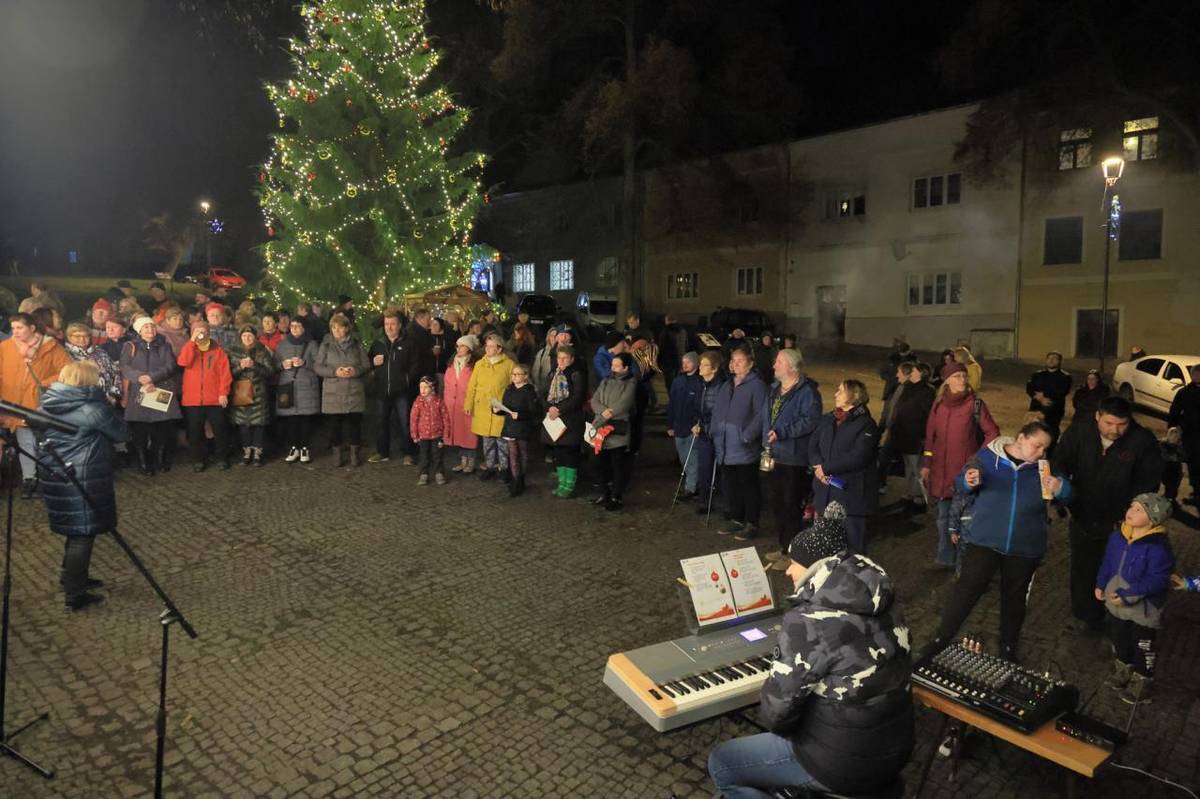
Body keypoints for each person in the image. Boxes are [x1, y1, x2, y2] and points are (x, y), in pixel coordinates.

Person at [707, 502, 913, 799]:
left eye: (794, 562)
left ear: (815, 569)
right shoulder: (885, 598)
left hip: (839, 765)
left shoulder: (807, 621)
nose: (788, 570)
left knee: (722, 763)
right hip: (896, 747)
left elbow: (776, 715)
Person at [925, 421, 1071, 663]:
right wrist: (968, 481)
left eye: (1045, 448)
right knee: (966, 591)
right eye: (1037, 446)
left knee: (1014, 599)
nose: (1041, 453)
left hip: (1026, 546)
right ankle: (940, 638)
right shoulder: (986, 458)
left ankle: (1008, 648)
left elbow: (1069, 495)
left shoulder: (1046, 467)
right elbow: (960, 484)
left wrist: (1061, 488)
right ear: (1021, 438)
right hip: (985, 540)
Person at [1054, 396, 1164, 633]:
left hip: (1121, 523)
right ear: (1097, 416)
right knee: (1083, 568)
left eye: (1121, 425)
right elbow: (1059, 464)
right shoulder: (1079, 433)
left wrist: (1130, 515)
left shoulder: (1142, 442)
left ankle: (1119, 621)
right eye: (1109, 424)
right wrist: (1062, 494)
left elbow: (1148, 483)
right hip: (1083, 515)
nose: (1115, 430)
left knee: (1120, 571)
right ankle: (1086, 616)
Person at [36, 361, 129, 610]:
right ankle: (75, 595)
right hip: (83, 475)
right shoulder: (92, 409)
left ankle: (72, 576)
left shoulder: (47, 403)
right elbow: (122, 434)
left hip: (57, 473)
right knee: (83, 533)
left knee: (74, 529)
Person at [1096, 494, 1174, 705]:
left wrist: (1128, 595)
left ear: (1153, 519)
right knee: (1119, 636)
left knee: (1143, 644)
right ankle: (1124, 667)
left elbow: (1158, 580)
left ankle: (1142, 680)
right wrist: (1101, 583)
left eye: (1140, 510)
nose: (1131, 511)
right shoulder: (1117, 537)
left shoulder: (1158, 548)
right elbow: (1108, 562)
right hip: (1117, 605)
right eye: (1132, 506)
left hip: (1144, 610)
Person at [921, 361, 1000, 569]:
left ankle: (968, 564)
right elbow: (930, 437)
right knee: (943, 518)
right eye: (957, 376)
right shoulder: (938, 405)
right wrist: (927, 463)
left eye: (964, 376)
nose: (963, 379)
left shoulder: (975, 405)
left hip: (964, 472)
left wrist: (977, 458)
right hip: (940, 471)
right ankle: (945, 558)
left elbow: (993, 433)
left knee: (966, 520)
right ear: (947, 381)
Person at [0, 313, 71, 495]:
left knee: (43, 441)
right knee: (24, 441)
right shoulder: (5, 347)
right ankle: (29, 478)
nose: (15, 332)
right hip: (13, 403)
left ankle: (48, 476)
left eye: (19, 328)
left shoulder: (51, 347)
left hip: (40, 402)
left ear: (32, 328)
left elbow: (67, 370)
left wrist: (46, 382)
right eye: (13, 328)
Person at [762, 349, 822, 552]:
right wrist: (766, 442)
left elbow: (810, 421)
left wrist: (783, 432)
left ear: (791, 366)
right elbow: (767, 419)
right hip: (774, 455)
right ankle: (783, 547)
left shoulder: (807, 392)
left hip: (793, 457)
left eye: (778, 362)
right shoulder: (773, 390)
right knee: (777, 504)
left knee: (791, 506)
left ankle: (794, 552)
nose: (774, 365)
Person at [808, 379, 878, 553]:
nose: (835, 394)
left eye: (840, 391)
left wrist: (826, 468)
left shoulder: (866, 424)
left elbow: (859, 456)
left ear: (854, 396)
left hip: (850, 496)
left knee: (852, 547)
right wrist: (818, 466)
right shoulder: (829, 418)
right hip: (824, 492)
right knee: (824, 546)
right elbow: (813, 444)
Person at [711, 348, 768, 540]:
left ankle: (752, 522)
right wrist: (714, 429)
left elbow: (762, 414)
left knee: (748, 485)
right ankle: (736, 518)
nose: (735, 364)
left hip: (744, 446)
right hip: (725, 445)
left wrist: (748, 435)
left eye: (740, 361)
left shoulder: (757, 386)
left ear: (750, 364)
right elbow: (717, 410)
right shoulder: (726, 385)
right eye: (733, 360)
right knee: (730, 484)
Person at [120, 316, 183, 475]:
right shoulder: (130, 346)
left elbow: (170, 366)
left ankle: (160, 459)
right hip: (139, 391)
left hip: (159, 389)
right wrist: (141, 378)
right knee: (141, 429)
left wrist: (152, 378)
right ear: (139, 330)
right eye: (146, 327)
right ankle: (144, 462)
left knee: (161, 428)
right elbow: (125, 367)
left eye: (152, 327)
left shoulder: (165, 346)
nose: (150, 330)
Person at [314, 313, 369, 467]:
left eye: (339, 327)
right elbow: (317, 367)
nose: (336, 330)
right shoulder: (325, 345)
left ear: (346, 328)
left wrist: (354, 371)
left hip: (353, 391)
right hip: (333, 391)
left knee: (354, 425)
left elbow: (366, 365)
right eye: (333, 327)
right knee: (334, 426)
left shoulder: (357, 345)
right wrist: (334, 372)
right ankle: (337, 454)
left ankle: (354, 454)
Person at [177, 320, 232, 472]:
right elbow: (183, 362)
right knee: (195, 432)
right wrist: (191, 342)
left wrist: (223, 393)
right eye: (197, 331)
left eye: (203, 331)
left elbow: (225, 374)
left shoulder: (218, 350)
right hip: (193, 399)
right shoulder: (189, 347)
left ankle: (222, 458)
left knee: (220, 430)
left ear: (208, 332)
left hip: (214, 398)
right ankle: (198, 460)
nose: (201, 334)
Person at [879, 363, 935, 511]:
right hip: (902, 433)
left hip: (915, 435)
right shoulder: (908, 387)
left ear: (922, 374)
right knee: (908, 466)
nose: (911, 373)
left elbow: (928, 415)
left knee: (915, 466)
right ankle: (909, 493)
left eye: (914, 371)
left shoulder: (927, 391)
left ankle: (919, 497)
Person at [367, 310, 416, 464]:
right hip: (382, 390)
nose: (389, 327)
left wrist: (407, 380)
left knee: (405, 422)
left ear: (399, 325)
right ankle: (383, 452)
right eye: (387, 324)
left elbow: (415, 365)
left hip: (402, 391)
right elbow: (368, 363)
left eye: (393, 324)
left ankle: (408, 452)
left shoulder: (408, 342)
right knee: (381, 422)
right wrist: (373, 363)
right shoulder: (378, 343)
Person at [590, 352, 637, 511]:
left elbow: (623, 404)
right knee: (598, 464)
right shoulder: (606, 380)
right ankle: (604, 492)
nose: (613, 368)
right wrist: (603, 412)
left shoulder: (630, 383)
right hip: (601, 429)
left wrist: (605, 414)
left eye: (617, 365)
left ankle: (616, 495)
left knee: (618, 465)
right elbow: (594, 399)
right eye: (613, 365)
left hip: (617, 429)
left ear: (625, 367)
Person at [464, 334, 514, 481]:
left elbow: (514, 386)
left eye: (492, 346)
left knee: (502, 442)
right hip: (482, 409)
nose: (488, 349)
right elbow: (472, 385)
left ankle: (504, 469)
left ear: (499, 348)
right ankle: (490, 466)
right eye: (487, 346)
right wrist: (468, 403)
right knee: (487, 442)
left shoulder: (508, 364)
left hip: (500, 409)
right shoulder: (480, 364)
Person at [544, 345, 587, 498]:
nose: (561, 361)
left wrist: (559, 409)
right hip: (554, 419)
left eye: (564, 358)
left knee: (570, 453)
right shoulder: (553, 374)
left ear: (572, 359)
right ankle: (562, 482)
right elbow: (545, 393)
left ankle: (570, 485)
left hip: (571, 420)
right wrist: (549, 408)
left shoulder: (576, 374)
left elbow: (577, 397)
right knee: (559, 452)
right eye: (559, 358)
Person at [275, 319, 320, 464]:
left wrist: (305, 363)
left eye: (298, 326)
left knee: (305, 419)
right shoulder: (282, 344)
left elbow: (319, 364)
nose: (294, 329)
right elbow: (274, 363)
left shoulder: (312, 344)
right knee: (291, 420)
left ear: (304, 328)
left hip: (306, 386)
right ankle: (294, 447)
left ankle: (305, 447)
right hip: (288, 386)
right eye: (292, 326)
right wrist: (282, 365)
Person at [230, 325, 277, 467]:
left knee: (259, 423)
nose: (247, 339)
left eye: (250, 336)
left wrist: (254, 365)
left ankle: (258, 452)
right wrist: (240, 367)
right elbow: (228, 374)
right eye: (244, 336)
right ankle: (246, 451)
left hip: (259, 392)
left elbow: (270, 371)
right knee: (243, 423)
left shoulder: (262, 350)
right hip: (241, 391)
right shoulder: (233, 351)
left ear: (255, 337)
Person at [495, 364, 541, 497]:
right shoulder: (509, 389)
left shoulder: (529, 391)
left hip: (523, 427)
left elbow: (534, 411)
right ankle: (515, 480)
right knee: (513, 454)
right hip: (510, 426)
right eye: (513, 374)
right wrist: (498, 410)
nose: (514, 377)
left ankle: (520, 478)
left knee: (522, 453)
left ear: (525, 376)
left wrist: (520, 415)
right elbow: (506, 408)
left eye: (517, 374)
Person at [692, 350, 727, 514]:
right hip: (703, 431)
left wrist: (706, 426)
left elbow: (719, 413)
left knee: (722, 468)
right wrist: (696, 423)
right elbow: (697, 408)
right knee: (704, 466)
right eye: (701, 364)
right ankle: (704, 500)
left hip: (717, 432)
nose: (700, 367)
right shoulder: (701, 385)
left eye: (705, 365)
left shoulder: (721, 386)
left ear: (714, 369)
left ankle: (725, 501)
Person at [667, 352, 703, 500]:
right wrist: (670, 424)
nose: (685, 364)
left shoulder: (700, 383)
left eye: (688, 362)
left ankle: (691, 488)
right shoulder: (678, 381)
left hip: (691, 427)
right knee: (684, 458)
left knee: (692, 457)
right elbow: (672, 404)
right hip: (678, 426)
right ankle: (694, 485)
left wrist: (697, 423)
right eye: (684, 362)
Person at [443, 335, 478, 474]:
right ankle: (463, 461)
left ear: (469, 348)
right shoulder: (452, 363)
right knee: (459, 434)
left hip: (468, 403)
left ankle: (471, 462)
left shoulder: (474, 365)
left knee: (469, 434)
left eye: (462, 346)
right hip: (453, 404)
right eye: (458, 346)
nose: (459, 349)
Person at [63, 322, 122, 404]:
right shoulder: (65, 355)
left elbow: (115, 372)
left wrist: (114, 394)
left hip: (108, 400)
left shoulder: (100, 352)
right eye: (77, 336)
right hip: (80, 402)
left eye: (85, 336)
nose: (82, 339)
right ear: (69, 337)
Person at [1168, 364, 1200, 507]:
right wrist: (1173, 429)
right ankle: (1196, 493)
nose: (1197, 376)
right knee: (1193, 465)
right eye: (1196, 374)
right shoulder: (1185, 392)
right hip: (1191, 436)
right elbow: (1174, 410)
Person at [409, 375, 451, 486]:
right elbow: (413, 419)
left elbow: (445, 417)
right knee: (424, 455)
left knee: (437, 455)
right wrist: (414, 434)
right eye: (420, 387)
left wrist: (446, 434)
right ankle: (424, 473)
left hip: (437, 435)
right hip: (423, 436)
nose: (422, 390)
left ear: (432, 388)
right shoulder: (418, 402)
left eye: (425, 387)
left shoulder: (438, 401)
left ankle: (439, 472)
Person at [1026, 351, 1072, 441]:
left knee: (1050, 434)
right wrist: (1039, 398)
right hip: (1036, 409)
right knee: (1033, 432)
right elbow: (1029, 388)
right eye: (1049, 358)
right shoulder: (1037, 375)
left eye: (1054, 358)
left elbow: (1062, 391)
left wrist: (1043, 395)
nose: (1051, 360)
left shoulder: (1065, 377)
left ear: (1059, 361)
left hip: (1053, 411)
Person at [657, 314, 690, 391]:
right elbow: (687, 345)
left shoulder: (665, 331)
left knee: (670, 384)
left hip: (668, 362)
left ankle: (673, 400)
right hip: (681, 361)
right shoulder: (683, 331)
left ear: (667, 320)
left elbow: (661, 348)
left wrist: (658, 361)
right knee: (679, 383)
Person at [530, 327, 557, 398]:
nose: (554, 338)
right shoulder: (542, 352)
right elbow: (535, 371)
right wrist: (538, 387)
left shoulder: (563, 353)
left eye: (556, 335)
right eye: (552, 335)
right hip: (542, 390)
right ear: (548, 337)